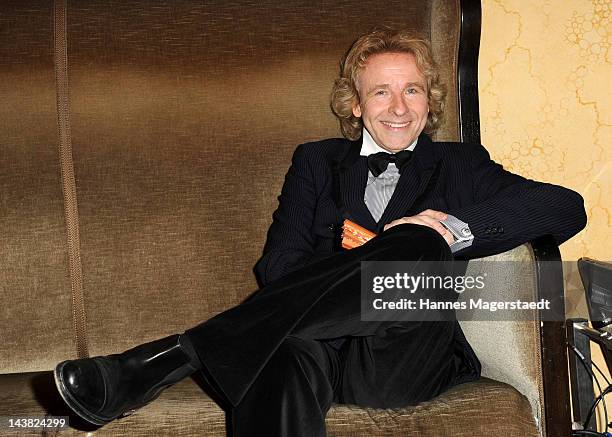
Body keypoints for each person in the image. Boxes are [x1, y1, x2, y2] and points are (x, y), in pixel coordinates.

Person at [53, 29, 587, 436]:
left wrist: (455, 229)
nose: (398, 108)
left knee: (422, 241)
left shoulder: (461, 164)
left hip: (408, 352)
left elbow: (566, 206)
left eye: (412, 91)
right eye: (381, 92)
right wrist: (363, 264)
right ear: (356, 105)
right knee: (279, 356)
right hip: (320, 349)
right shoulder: (316, 162)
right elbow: (277, 268)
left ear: (430, 103)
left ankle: (175, 356)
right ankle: (184, 356)